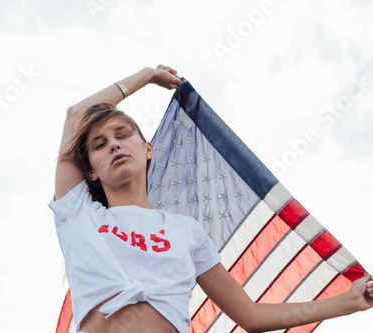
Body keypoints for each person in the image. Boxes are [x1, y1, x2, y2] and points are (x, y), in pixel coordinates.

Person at [49, 65, 373, 333]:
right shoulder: (77, 215)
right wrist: (146, 76)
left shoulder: (186, 231)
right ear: (90, 170)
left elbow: (251, 316)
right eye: (100, 144)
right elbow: (75, 114)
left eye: (122, 135)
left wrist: (350, 301)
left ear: (148, 149)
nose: (114, 146)